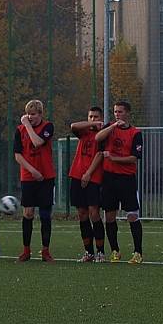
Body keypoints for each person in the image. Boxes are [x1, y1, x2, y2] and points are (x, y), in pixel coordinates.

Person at [95, 100, 144, 263]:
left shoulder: (135, 133)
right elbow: (97, 138)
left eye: (120, 112)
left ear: (127, 113)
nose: (117, 114)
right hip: (109, 178)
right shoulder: (110, 128)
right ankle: (115, 251)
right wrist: (112, 126)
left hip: (127, 179)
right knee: (109, 216)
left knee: (132, 216)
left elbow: (134, 158)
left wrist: (114, 158)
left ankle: (138, 253)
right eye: (115, 112)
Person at [13, 99, 56, 263]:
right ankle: (26, 251)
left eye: (33, 114)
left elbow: (37, 142)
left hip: (46, 176)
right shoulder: (19, 130)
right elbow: (17, 155)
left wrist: (27, 125)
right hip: (29, 177)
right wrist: (32, 170)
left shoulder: (48, 127)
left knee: (45, 214)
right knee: (28, 213)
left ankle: (45, 251)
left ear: (40, 114)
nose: (30, 117)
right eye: (28, 114)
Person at [69, 107, 106, 262]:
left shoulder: (103, 134)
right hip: (76, 176)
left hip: (94, 177)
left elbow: (99, 154)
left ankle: (100, 252)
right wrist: (90, 124)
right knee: (82, 214)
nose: (93, 119)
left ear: (101, 118)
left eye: (96, 117)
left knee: (94, 213)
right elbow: (73, 126)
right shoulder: (83, 131)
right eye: (90, 116)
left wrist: (89, 173)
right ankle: (88, 252)